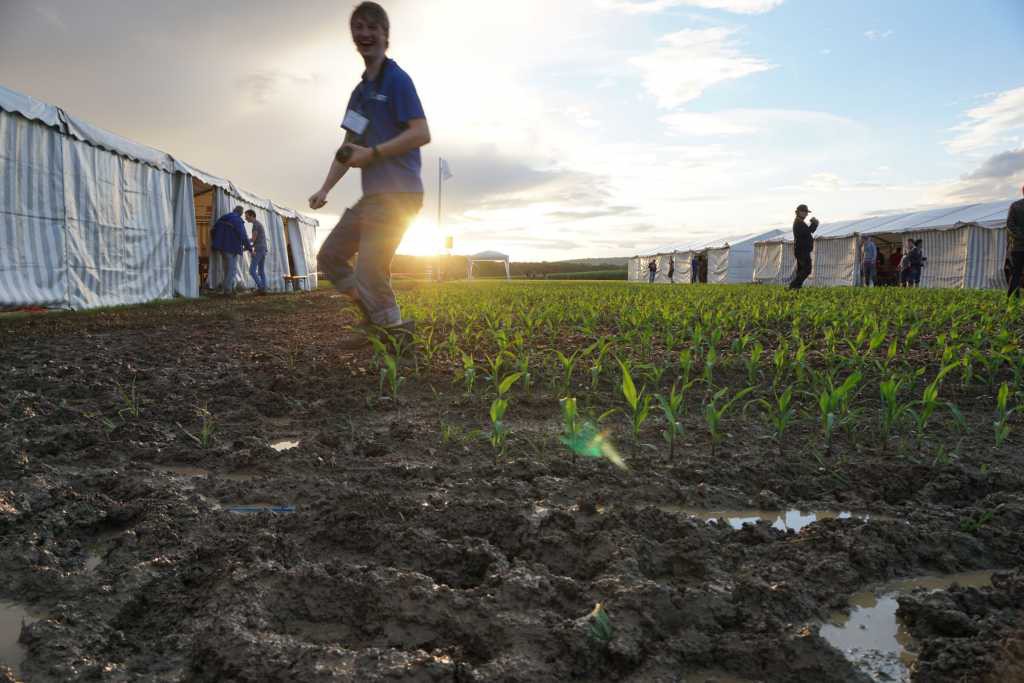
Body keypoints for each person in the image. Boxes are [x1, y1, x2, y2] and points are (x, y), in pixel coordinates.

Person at [310, 2, 431, 344]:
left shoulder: (397, 80)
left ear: (385, 36)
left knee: (370, 270)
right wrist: (325, 189)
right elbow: (348, 146)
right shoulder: (360, 94)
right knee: (330, 256)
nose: (364, 34)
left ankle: (394, 333)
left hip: (401, 194)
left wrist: (374, 153)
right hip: (374, 196)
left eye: (371, 28)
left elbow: (421, 133)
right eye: (358, 28)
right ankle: (375, 321)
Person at [211, 206, 253, 295]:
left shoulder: (223, 218)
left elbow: (213, 230)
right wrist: (250, 248)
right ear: (240, 213)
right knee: (231, 269)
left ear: (234, 210)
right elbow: (243, 236)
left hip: (221, 248)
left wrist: (217, 242)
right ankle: (228, 290)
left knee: (226, 269)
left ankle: (228, 287)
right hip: (232, 248)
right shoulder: (238, 220)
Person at [788, 203, 819, 290]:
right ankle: (793, 286)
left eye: (806, 212)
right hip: (802, 251)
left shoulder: (800, 222)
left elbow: (808, 232)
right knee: (807, 269)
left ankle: (796, 288)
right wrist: (814, 224)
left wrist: (814, 225)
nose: (805, 214)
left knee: (801, 270)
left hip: (802, 250)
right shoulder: (798, 223)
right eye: (804, 212)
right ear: (798, 212)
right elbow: (806, 232)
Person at [245, 210, 269, 294]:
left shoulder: (255, 225)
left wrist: (246, 245)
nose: (246, 218)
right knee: (261, 270)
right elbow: (254, 239)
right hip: (263, 249)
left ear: (252, 216)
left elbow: (253, 240)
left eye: (247, 216)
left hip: (259, 249)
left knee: (252, 270)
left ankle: (261, 287)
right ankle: (264, 288)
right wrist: (247, 241)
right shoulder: (258, 224)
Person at [1006, 186, 1024, 298]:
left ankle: (1013, 299)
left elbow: (1010, 225)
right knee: (1016, 274)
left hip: (1017, 247)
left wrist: (1021, 235)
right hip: (1018, 246)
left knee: (1016, 273)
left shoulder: (1015, 205)